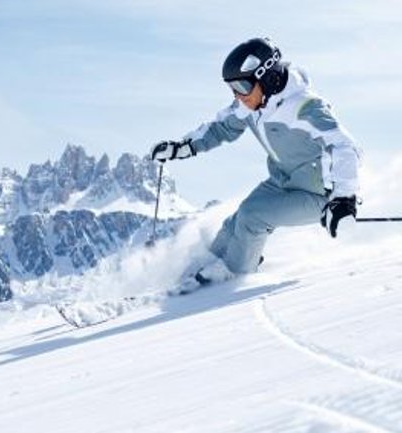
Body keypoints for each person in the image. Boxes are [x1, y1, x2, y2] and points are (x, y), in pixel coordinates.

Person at [150, 37, 361, 287]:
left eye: (242, 86)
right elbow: (222, 128)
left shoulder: (305, 107)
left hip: (320, 195)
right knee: (235, 223)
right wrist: (183, 147)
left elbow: (344, 146)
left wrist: (343, 199)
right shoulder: (252, 104)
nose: (238, 96)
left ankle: (228, 283)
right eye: (232, 88)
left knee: (252, 218)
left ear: (267, 77)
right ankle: (197, 276)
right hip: (283, 181)